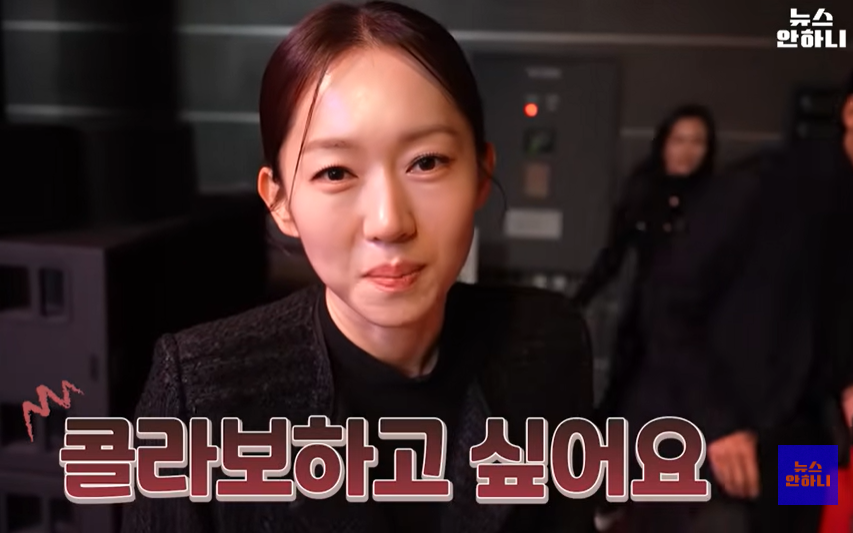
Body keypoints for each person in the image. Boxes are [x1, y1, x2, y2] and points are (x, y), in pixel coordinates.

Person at [121, 2, 594, 533]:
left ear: (482, 174)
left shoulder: (545, 342)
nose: (389, 222)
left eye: (427, 162)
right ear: (279, 201)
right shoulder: (203, 395)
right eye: (336, 172)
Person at [620, 71, 853, 533]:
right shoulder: (763, 183)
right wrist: (718, 423)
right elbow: (667, 302)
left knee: (797, 524)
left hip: (805, 438)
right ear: (850, 112)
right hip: (708, 426)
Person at [573, 105, 717, 430]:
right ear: (663, 143)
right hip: (645, 314)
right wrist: (577, 302)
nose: (687, 151)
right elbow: (612, 256)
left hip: (697, 320)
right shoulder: (643, 190)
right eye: (679, 140)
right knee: (622, 402)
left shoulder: (716, 198)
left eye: (697, 142)